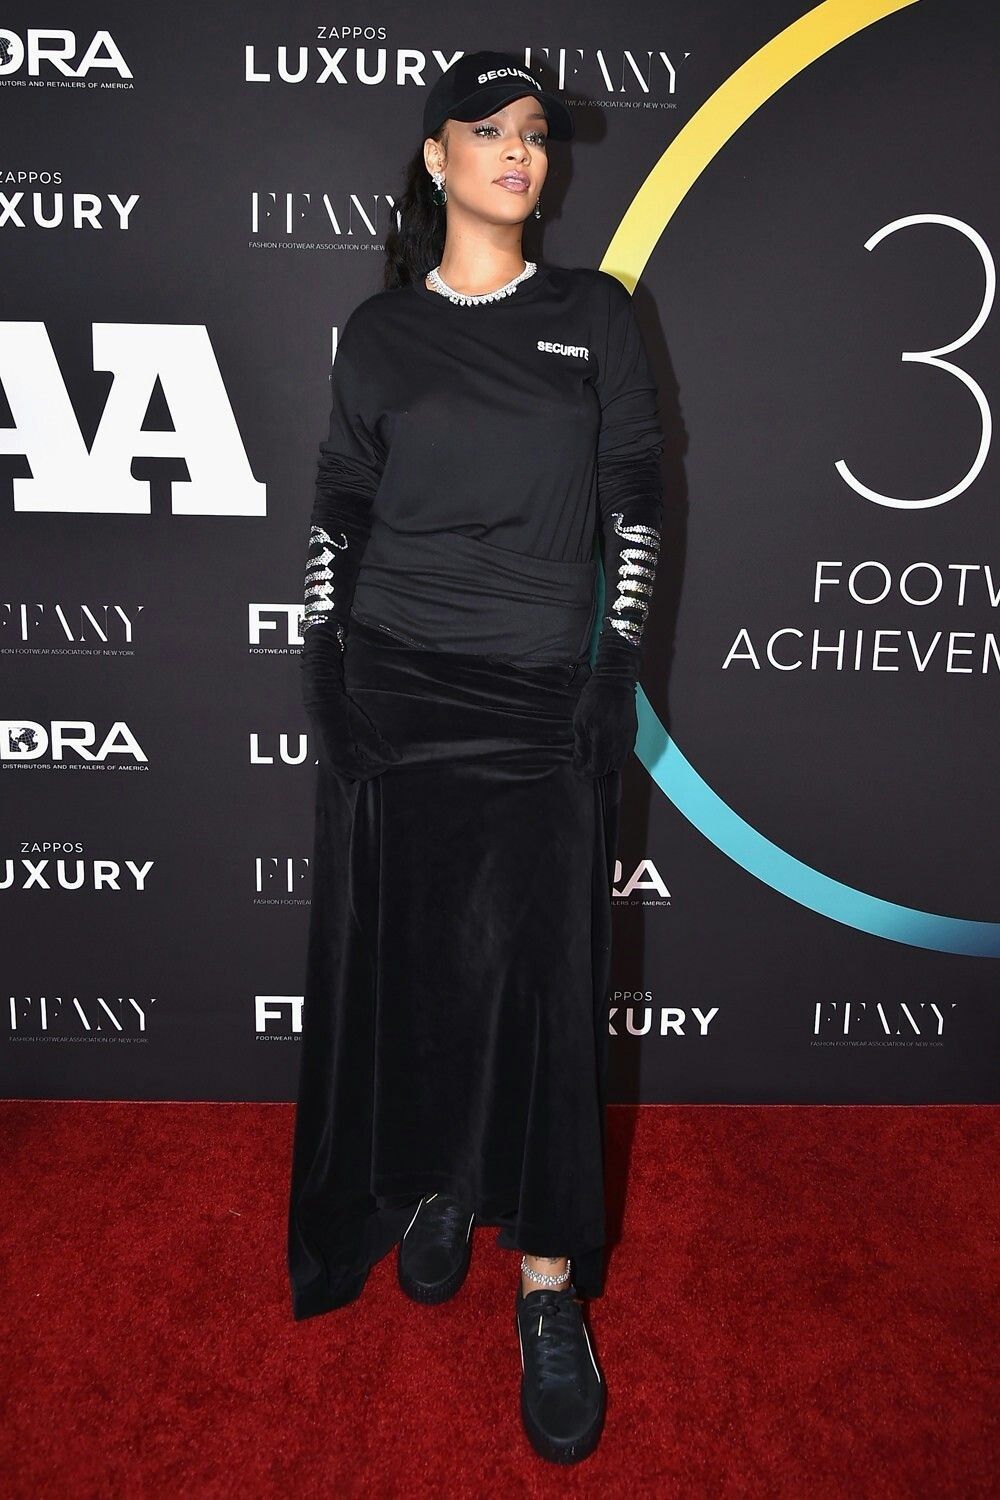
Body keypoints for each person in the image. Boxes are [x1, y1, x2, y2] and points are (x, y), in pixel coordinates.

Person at [287, 49, 665, 1466]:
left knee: (546, 980)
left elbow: (636, 498)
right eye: (491, 129)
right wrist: (323, 665)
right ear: (437, 158)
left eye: (537, 134)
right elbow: (338, 500)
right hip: (396, 676)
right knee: (417, 962)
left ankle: (548, 1286)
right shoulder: (378, 330)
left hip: (538, 688)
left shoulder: (596, 314)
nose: (521, 150)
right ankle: (440, 1184)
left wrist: (611, 664)